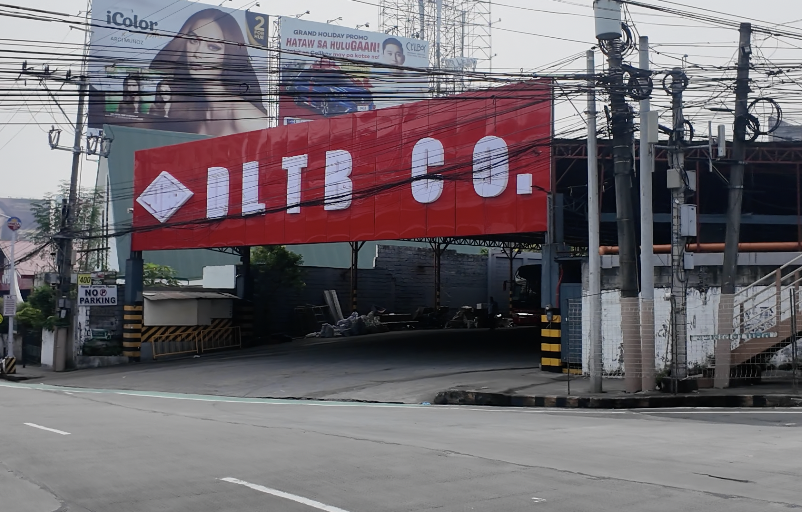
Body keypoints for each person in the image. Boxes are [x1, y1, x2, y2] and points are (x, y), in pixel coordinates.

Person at [150, 8, 267, 136]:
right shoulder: (186, 108)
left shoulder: (244, 117)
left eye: (213, 47)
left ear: (229, 55)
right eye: (193, 40)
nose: (197, 53)